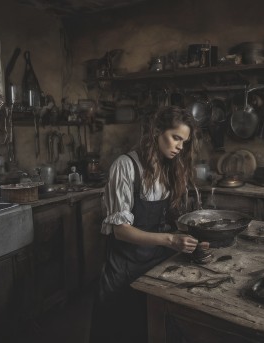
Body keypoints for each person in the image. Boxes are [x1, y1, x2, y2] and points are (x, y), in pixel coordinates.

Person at [90, 105, 207, 343]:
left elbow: (164, 219)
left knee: (151, 330)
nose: (179, 147)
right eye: (176, 138)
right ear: (156, 132)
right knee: (120, 332)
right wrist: (171, 240)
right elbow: (121, 231)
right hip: (124, 267)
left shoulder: (167, 167)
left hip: (153, 264)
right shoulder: (125, 167)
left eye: (183, 141)